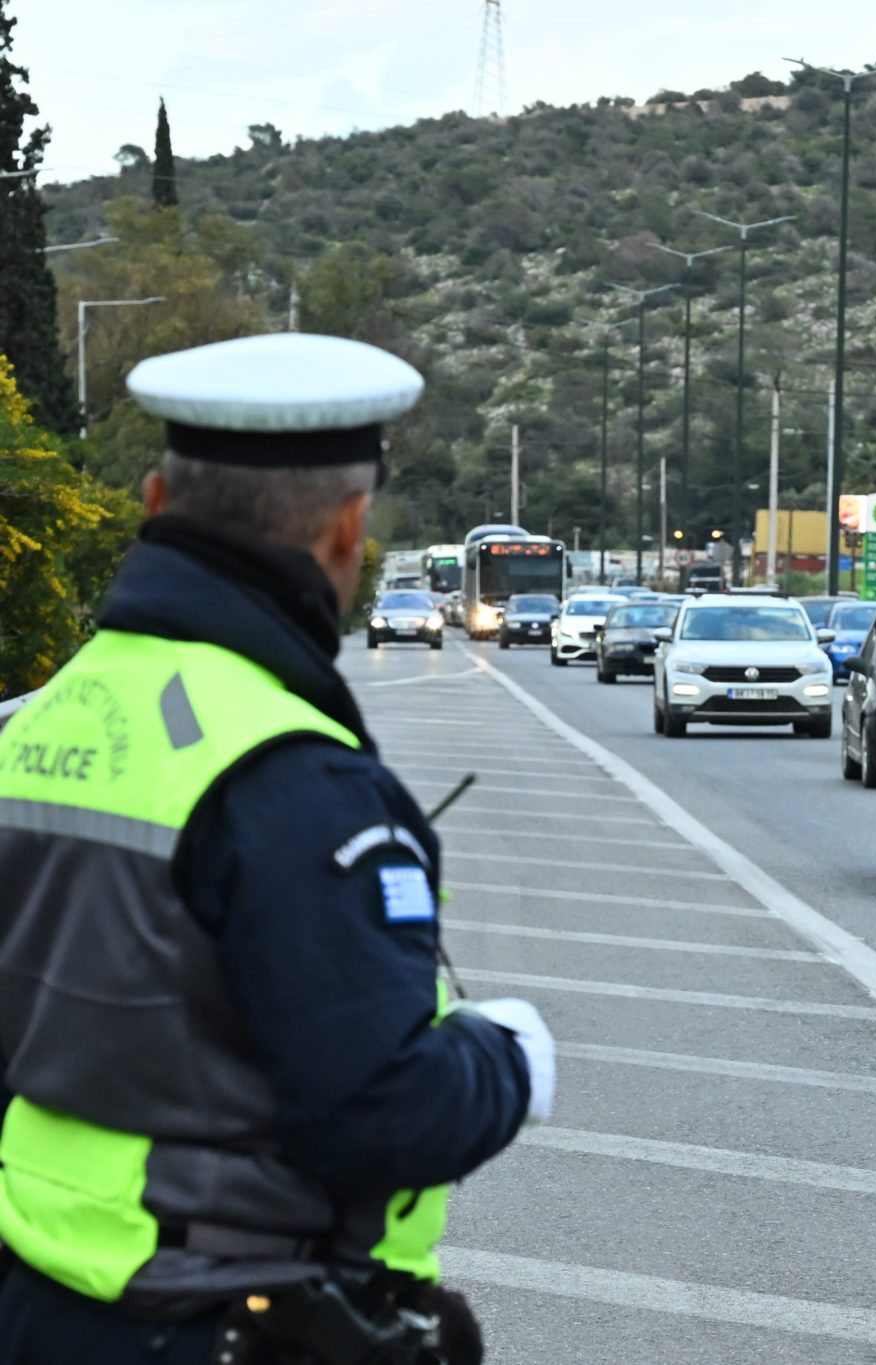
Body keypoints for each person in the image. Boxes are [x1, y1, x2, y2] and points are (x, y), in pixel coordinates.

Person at [0, 335, 553, 1365]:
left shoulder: (30, 726)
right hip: (225, 1315)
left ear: (156, 501)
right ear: (349, 528)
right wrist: (511, 1057)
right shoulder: (291, 779)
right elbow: (381, 1116)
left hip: (41, 1299)